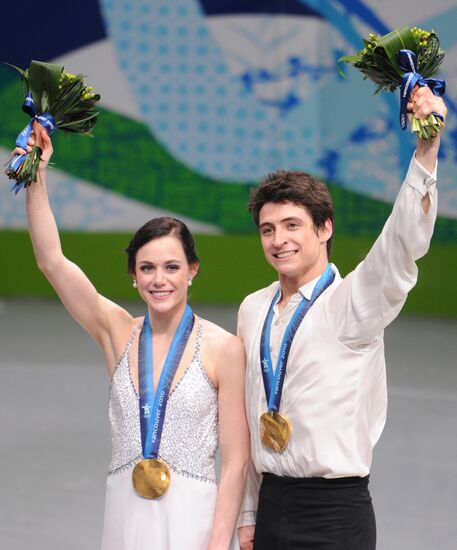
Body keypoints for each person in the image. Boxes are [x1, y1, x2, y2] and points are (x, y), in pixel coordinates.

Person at [15, 127, 249, 550]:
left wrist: (218, 545)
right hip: (126, 515)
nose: (159, 280)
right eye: (147, 268)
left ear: (193, 269)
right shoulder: (117, 332)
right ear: (134, 275)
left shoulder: (224, 348)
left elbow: (235, 463)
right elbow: (51, 261)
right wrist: (36, 176)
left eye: (172, 267)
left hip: (191, 522)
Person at [236, 85, 447, 550]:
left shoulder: (352, 303)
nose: (278, 240)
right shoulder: (253, 309)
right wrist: (248, 515)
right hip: (270, 505)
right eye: (268, 229)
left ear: (324, 228)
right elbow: (251, 416)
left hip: (336, 515)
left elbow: (399, 248)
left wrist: (426, 152)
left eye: (292, 226)